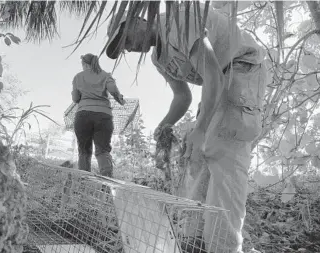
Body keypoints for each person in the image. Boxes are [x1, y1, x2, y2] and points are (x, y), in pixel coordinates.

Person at [105, 4, 266, 253]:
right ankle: (196, 242)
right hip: (219, 81)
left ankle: (224, 248)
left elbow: (213, 75)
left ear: (136, 21)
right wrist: (164, 126)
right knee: (197, 158)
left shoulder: (177, 22)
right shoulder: (158, 58)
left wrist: (200, 130)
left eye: (124, 40)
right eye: (122, 48)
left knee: (223, 155)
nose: (127, 48)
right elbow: (182, 97)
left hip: (241, 69)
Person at [71, 53, 125, 178]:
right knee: (103, 151)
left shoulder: (78, 77)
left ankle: (84, 183)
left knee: (84, 151)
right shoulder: (106, 75)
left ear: (85, 64)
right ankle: (106, 185)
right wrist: (120, 99)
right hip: (103, 116)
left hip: (83, 115)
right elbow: (113, 90)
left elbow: (75, 98)